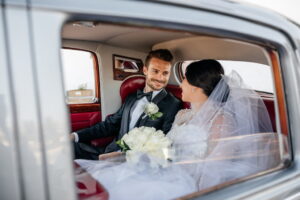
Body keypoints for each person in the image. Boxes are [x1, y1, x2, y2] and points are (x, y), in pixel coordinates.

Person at [75, 59, 279, 200]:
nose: (180, 83)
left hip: (186, 181)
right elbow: (167, 148)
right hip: (163, 170)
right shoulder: (183, 115)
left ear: (196, 87)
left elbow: (214, 170)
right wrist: (137, 156)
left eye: (184, 79)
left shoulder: (222, 122)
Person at [71, 49, 182, 160]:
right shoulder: (132, 97)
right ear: (145, 70)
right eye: (155, 71)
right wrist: (75, 136)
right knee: (67, 147)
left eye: (165, 73)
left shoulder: (172, 104)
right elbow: (110, 125)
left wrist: (124, 157)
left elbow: (166, 146)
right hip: (110, 152)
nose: (160, 78)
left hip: (136, 162)